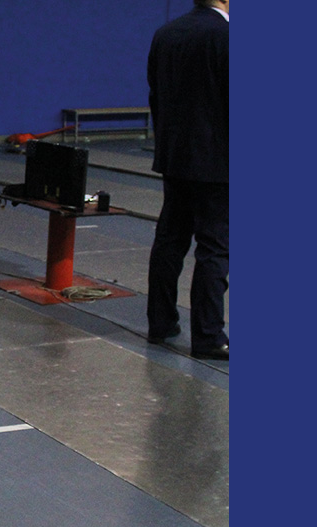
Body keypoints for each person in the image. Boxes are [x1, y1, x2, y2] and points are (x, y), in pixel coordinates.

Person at [146, 0, 229, 360]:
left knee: (170, 240)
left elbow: (156, 95)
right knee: (214, 248)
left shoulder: (166, 34)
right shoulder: (227, 36)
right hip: (217, 161)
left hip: (175, 156)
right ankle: (208, 336)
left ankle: (160, 323)